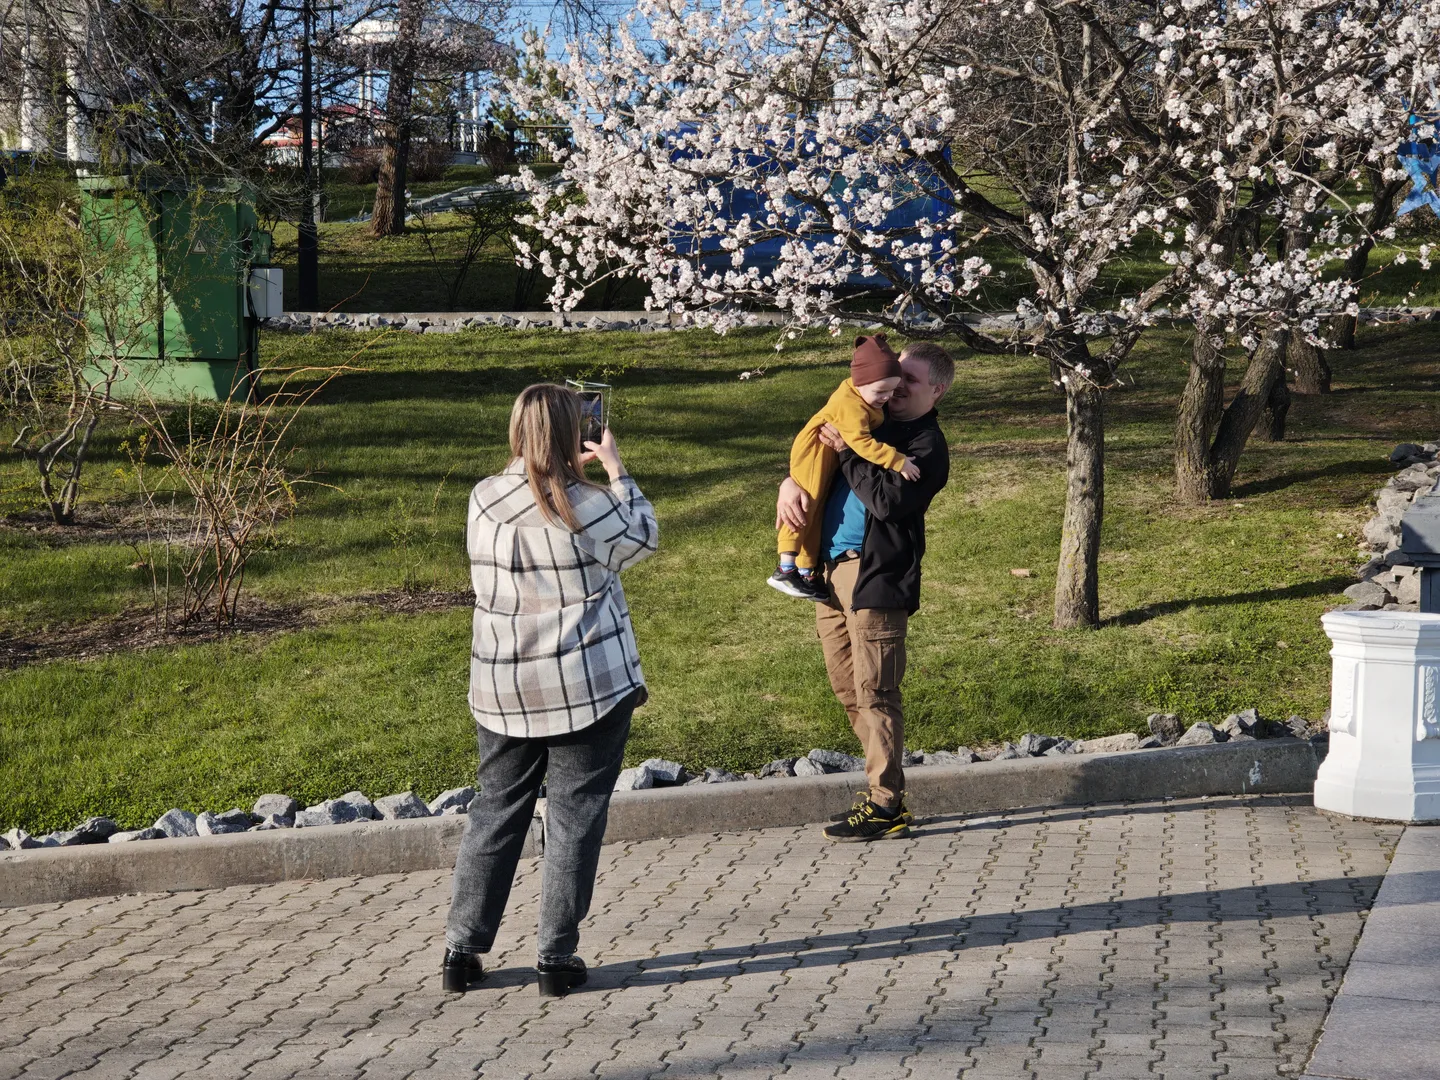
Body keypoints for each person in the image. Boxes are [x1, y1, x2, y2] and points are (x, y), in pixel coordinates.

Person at [443, 383, 658, 998]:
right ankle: (555, 959)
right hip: (586, 684)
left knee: (495, 813)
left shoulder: (483, 497)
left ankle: (461, 952)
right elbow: (643, 537)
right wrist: (616, 468)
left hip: (503, 684)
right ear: (575, 433)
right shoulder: (585, 503)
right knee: (574, 819)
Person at [775, 341, 954, 842]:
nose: (896, 389)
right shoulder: (872, 423)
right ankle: (883, 789)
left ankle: (885, 802)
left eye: (909, 382)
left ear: (936, 391)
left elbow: (886, 502)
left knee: (876, 690)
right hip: (828, 573)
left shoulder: (926, 448)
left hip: (875, 578)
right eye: (894, 378)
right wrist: (788, 483)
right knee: (847, 689)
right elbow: (817, 457)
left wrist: (849, 448)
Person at [769, 334, 922, 601]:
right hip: (815, 450)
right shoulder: (850, 405)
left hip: (827, 453)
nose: (887, 397)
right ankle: (785, 567)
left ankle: (806, 572)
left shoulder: (865, 396)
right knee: (806, 503)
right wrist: (897, 460)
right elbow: (861, 443)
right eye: (881, 391)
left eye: (891, 391)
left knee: (816, 508)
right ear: (860, 382)